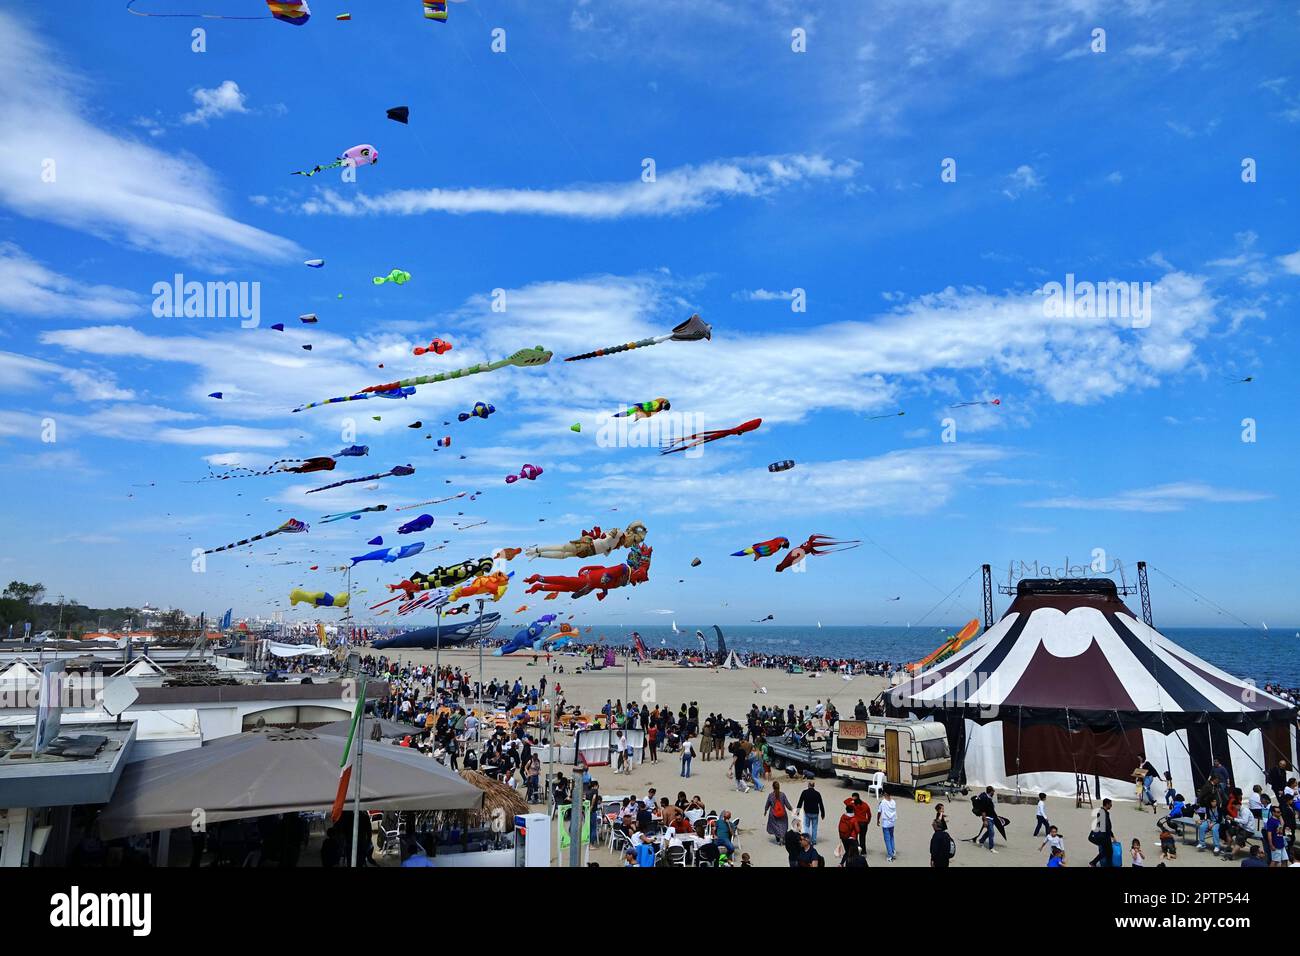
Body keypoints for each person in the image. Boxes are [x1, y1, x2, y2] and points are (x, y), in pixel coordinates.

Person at [797, 780, 826, 846]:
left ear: (808, 785)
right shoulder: (817, 793)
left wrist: (798, 811)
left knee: (806, 826)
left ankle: (807, 840)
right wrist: (823, 813)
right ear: (814, 786)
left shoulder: (804, 792)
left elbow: (800, 802)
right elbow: (821, 804)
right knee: (814, 827)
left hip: (807, 812)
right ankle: (814, 841)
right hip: (815, 813)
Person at [1089, 799, 1114, 867]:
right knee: (1109, 852)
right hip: (1104, 836)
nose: (1111, 806)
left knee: (1106, 852)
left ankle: (1093, 863)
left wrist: (1112, 835)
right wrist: (1110, 835)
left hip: (1105, 836)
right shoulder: (1102, 812)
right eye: (1110, 804)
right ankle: (1093, 863)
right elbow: (1105, 826)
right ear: (1107, 804)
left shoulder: (1104, 812)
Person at [877, 791, 898, 862]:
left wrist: (877, 820)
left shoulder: (882, 802)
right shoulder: (893, 802)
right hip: (892, 822)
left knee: (887, 840)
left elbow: (879, 812)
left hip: (886, 823)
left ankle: (890, 855)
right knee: (892, 837)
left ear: (885, 794)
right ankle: (893, 851)